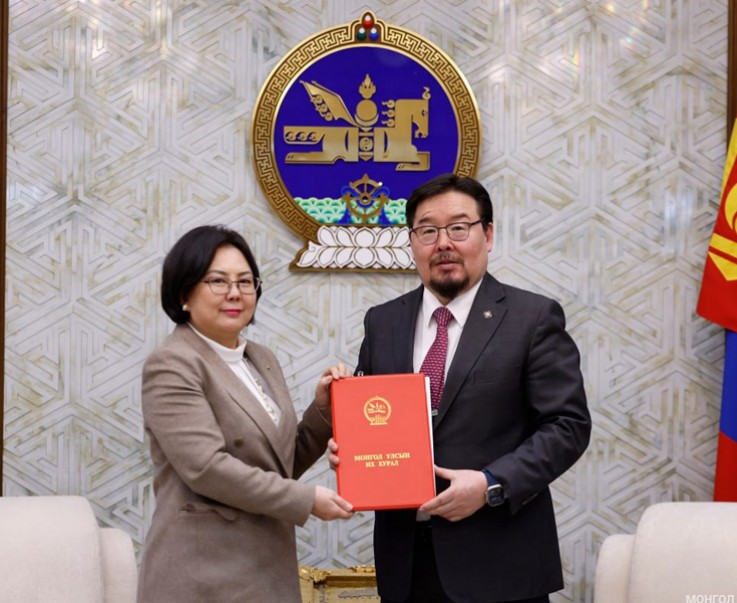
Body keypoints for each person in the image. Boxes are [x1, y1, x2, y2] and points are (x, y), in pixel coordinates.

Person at [331, 174, 591, 602]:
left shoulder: (532, 318)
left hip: (501, 566)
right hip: (406, 567)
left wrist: (491, 484)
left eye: (458, 227)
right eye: (427, 231)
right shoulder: (383, 321)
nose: (443, 244)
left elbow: (568, 426)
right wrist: (348, 446)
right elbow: (374, 417)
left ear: (487, 235)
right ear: (411, 242)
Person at [138, 225, 353, 603]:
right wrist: (306, 500)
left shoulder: (261, 359)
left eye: (245, 281)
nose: (235, 292)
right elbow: (207, 468)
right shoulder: (172, 364)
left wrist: (324, 410)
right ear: (183, 294)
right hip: (204, 575)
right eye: (217, 281)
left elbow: (278, 464)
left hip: (266, 568)